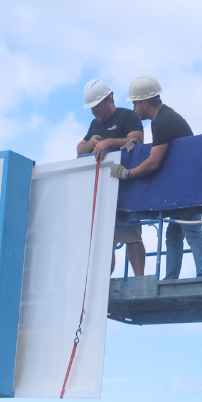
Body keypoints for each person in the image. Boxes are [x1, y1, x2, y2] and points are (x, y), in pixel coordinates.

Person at [112, 75, 202, 279]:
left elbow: (154, 162)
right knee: (174, 233)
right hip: (184, 186)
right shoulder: (162, 119)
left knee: (191, 230)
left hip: (188, 188)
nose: (134, 109)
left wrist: (128, 173)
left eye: (135, 103)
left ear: (144, 103)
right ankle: (172, 277)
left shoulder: (164, 121)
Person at [76, 79, 147, 277]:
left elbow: (137, 139)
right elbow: (79, 150)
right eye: (91, 107)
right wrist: (91, 143)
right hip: (104, 191)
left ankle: (139, 278)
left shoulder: (127, 116)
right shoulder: (95, 125)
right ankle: (103, 281)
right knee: (105, 239)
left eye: (96, 106)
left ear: (109, 100)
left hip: (127, 186)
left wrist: (109, 143)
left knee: (131, 234)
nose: (94, 112)